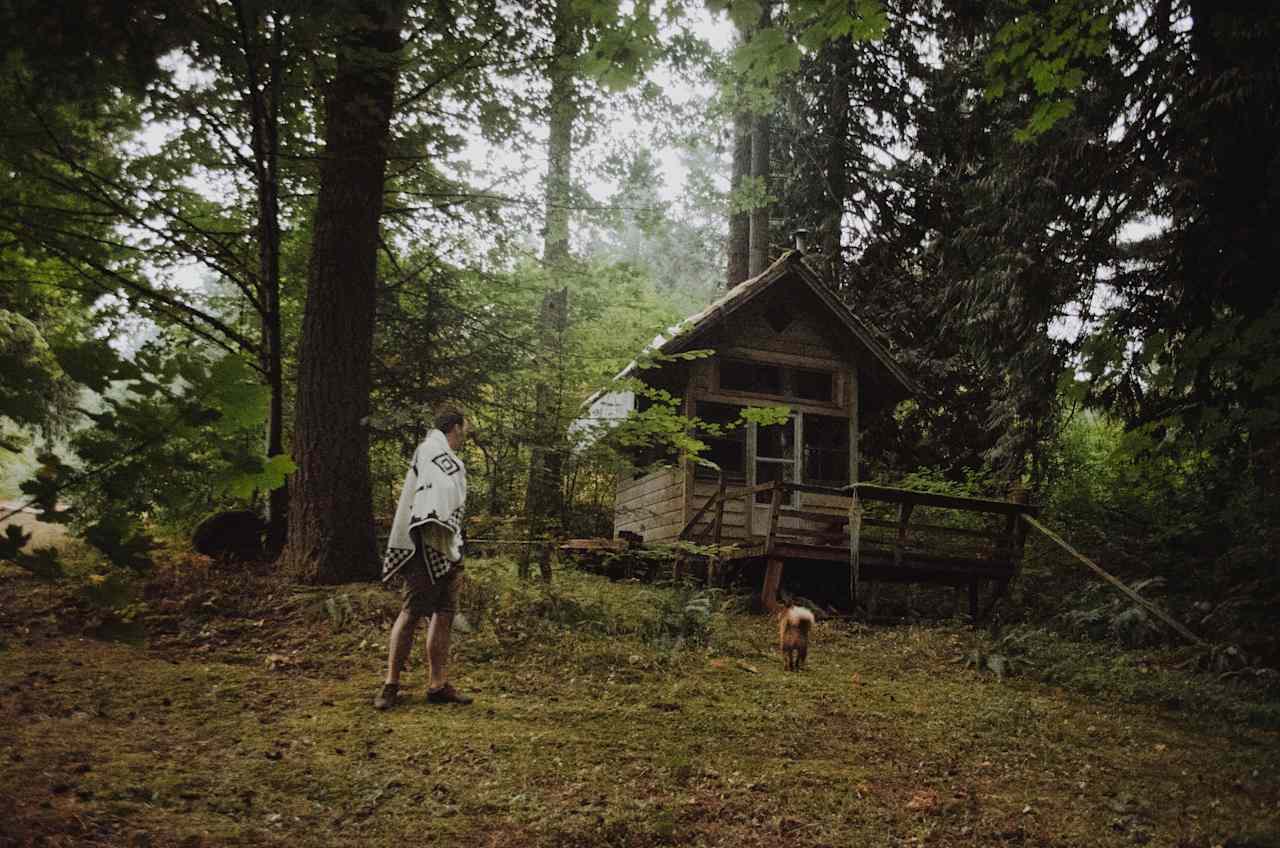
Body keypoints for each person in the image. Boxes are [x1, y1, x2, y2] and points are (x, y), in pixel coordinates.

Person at [375, 405, 473, 709]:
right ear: (455, 427)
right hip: (422, 544)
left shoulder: (452, 459)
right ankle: (391, 684)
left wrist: (451, 537)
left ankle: (437, 684)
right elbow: (435, 491)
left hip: (449, 544)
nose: (466, 434)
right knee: (412, 612)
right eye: (464, 428)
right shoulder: (428, 450)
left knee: (444, 613)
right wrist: (436, 522)